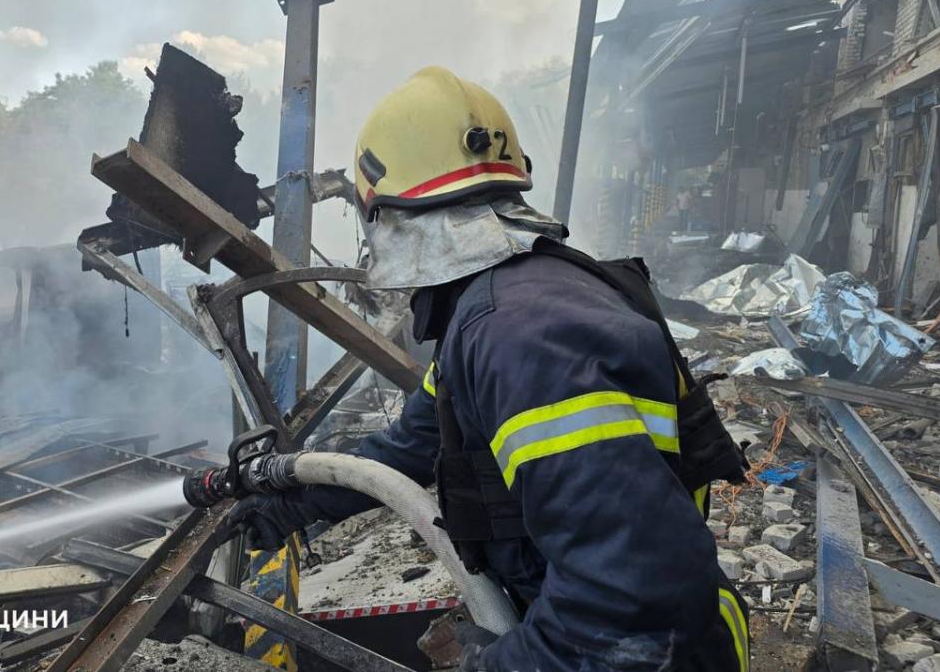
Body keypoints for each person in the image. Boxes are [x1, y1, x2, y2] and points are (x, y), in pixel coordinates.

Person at [228, 67, 750, 671]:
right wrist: (283, 503)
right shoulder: (497, 312)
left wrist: (498, 664)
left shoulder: (520, 334)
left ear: (387, 211)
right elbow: (404, 452)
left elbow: (628, 601)